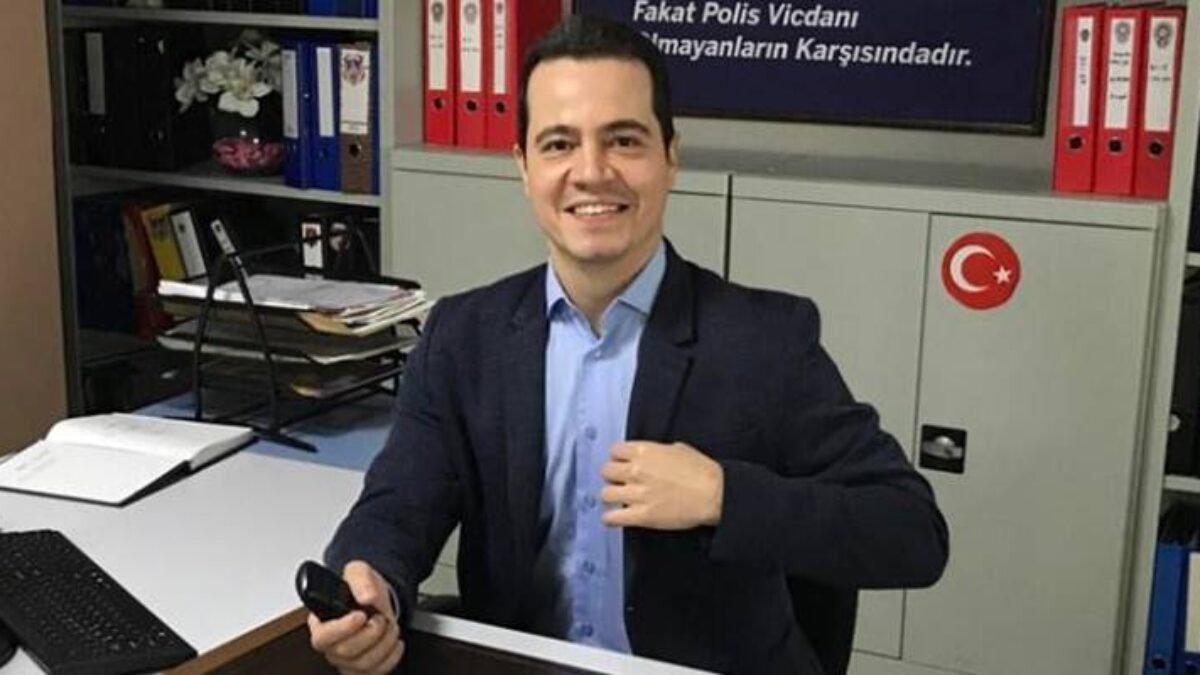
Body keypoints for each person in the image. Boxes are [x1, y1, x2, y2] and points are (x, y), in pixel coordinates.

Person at [308, 14, 948, 675]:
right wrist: (369, 578)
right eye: (559, 143)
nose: (591, 171)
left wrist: (724, 495)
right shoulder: (464, 337)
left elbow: (911, 531)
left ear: (670, 156)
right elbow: (397, 505)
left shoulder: (766, 341)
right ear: (524, 167)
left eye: (624, 140)